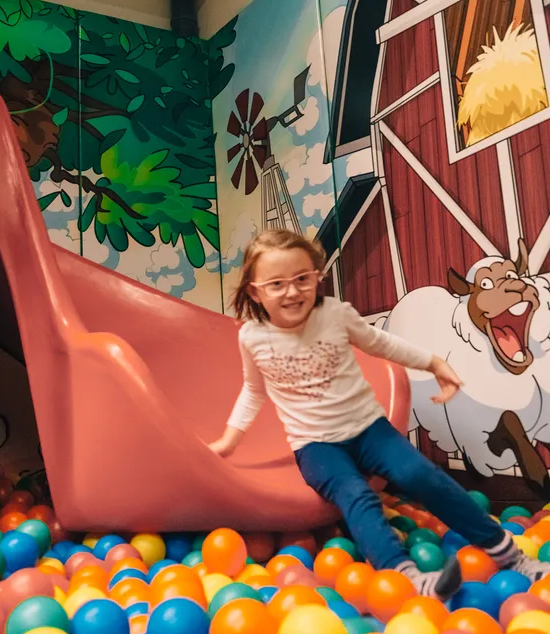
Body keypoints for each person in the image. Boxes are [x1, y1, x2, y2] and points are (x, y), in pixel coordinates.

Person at [209, 229, 549, 599]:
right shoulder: (253, 338)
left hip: (370, 430)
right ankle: (406, 577)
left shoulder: (335, 315)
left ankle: (511, 556)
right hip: (316, 446)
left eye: (302, 279)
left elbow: (383, 344)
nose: (292, 292)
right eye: (277, 284)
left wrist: (435, 363)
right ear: (256, 290)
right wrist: (230, 440)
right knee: (355, 494)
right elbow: (253, 392)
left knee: (419, 473)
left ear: (316, 278)